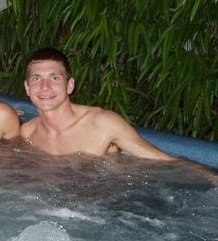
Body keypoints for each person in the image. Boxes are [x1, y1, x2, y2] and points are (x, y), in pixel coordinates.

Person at [20, 47, 174, 159]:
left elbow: (167, 164)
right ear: (27, 88)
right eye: (36, 78)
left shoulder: (103, 123)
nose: (45, 87)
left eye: (54, 78)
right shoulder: (27, 132)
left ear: (70, 85)